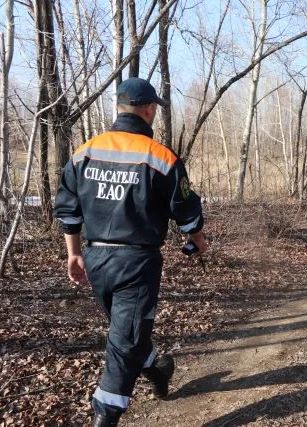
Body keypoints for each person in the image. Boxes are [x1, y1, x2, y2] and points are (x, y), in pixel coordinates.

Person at [54, 77, 208, 427]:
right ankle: (105, 417)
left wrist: (74, 254)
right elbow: (186, 210)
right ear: (149, 110)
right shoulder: (161, 157)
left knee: (127, 333)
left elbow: (67, 209)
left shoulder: (85, 151)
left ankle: (157, 368)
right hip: (136, 263)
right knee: (125, 339)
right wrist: (198, 241)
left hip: (94, 258)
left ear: (120, 108)